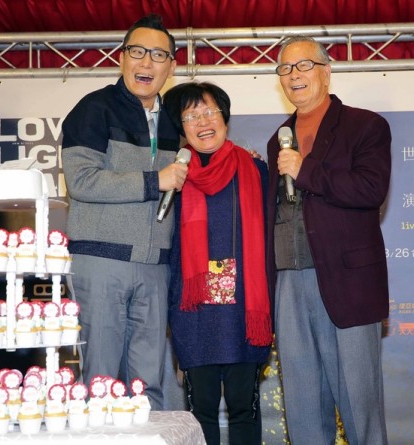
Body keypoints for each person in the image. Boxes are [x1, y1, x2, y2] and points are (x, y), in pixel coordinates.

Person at [266, 36, 391, 444]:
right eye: (285, 68)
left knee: (359, 405)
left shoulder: (365, 125)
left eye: (304, 65)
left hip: (347, 282)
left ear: (326, 71)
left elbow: (371, 189)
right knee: (302, 404)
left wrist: (305, 170)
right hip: (290, 280)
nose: (294, 75)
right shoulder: (278, 138)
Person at [60, 14, 187, 409]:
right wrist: (153, 181)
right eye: (137, 52)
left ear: (172, 66)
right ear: (121, 57)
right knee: (101, 383)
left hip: (155, 267)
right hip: (101, 262)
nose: (146, 62)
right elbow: (81, 181)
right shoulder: (93, 109)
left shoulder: (175, 119)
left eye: (158, 55)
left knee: (149, 387)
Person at [163, 81, 272, 445]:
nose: (203, 121)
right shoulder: (172, 176)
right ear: (182, 128)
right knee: (201, 411)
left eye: (210, 112)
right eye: (192, 116)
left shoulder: (256, 170)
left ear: (225, 119)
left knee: (244, 408)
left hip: (244, 307)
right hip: (194, 309)